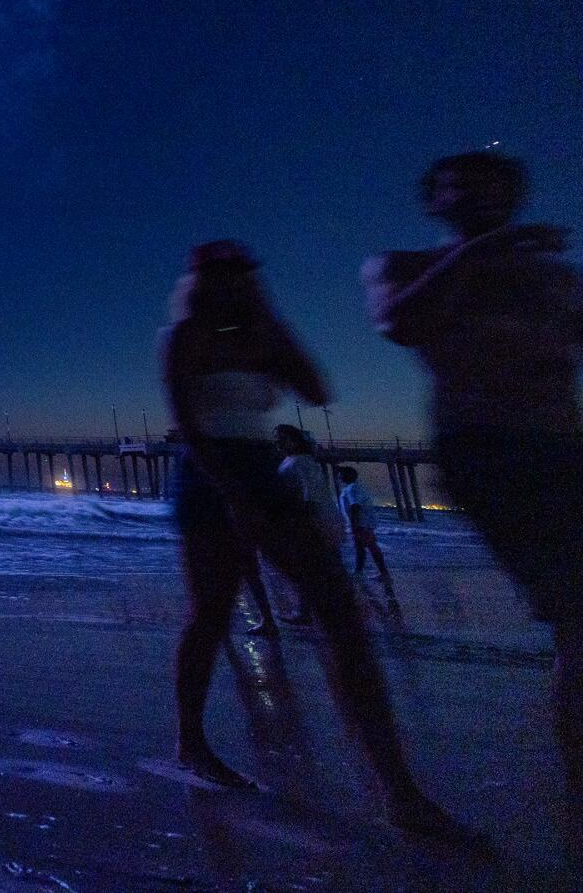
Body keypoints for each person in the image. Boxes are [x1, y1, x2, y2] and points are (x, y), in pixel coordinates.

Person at [163, 240, 467, 837]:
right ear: (199, 283)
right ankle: (190, 741)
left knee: (341, 613)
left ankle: (396, 785)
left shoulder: (261, 333)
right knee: (210, 616)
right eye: (217, 276)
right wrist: (235, 498)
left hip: (260, 466)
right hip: (211, 478)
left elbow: (317, 390)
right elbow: (191, 429)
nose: (229, 285)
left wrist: (272, 324)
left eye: (240, 275)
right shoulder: (184, 337)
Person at [365, 149, 583, 839]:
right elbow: (399, 322)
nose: (479, 191)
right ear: (433, 198)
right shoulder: (402, 265)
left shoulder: (553, 274)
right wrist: (485, 250)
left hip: (566, 446)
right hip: (490, 451)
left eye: (494, 182)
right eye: (460, 182)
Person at [336, 466, 400, 606]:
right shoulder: (355, 487)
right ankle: (361, 573)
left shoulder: (352, 489)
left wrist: (354, 525)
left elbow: (355, 506)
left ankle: (383, 574)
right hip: (364, 523)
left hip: (361, 524)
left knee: (369, 547)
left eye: (340, 474)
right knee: (362, 548)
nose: (338, 476)